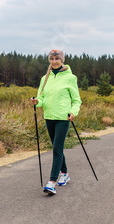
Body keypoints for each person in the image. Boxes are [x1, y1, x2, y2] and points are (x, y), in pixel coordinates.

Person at [30, 49, 82, 195]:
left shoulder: (70, 78)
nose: (54, 61)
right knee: (56, 147)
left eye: (57, 59)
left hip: (63, 118)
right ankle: (65, 173)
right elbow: (41, 98)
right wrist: (36, 101)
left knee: (57, 149)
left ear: (62, 60)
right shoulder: (44, 78)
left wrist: (73, 112)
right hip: (49, 116)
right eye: (52, 59)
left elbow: (77, 100)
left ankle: (51, 182)